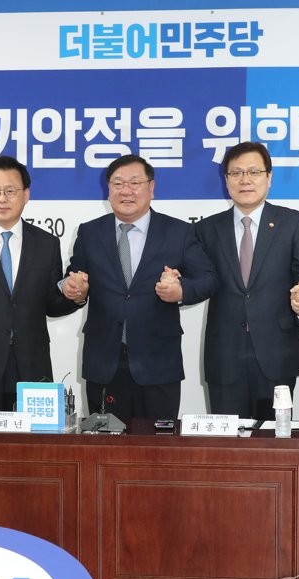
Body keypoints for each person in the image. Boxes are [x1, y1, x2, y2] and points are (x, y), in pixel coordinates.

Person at [62, 154, 217, 422]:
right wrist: (75, 290)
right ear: (108, 189)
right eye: (118, 183)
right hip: (104, 362)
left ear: (151, 188)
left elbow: (208, 279)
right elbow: (74, 278)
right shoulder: (89, 233)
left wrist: (180, 291)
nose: (126, 191)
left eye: (135, 183)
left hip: (158, 363)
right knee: (105, 443)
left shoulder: (178, 232)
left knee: (157, 443)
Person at [194, 142, 299, 420]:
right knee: (227, 440)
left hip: (278, 352)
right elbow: (197, 280)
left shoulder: (293, 223)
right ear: (226, 179)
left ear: (269, 177)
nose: (245, 180)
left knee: (275, 439)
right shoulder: (206, 229)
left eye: (254, 171)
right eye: (236, 173)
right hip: (225, 354)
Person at [0, 156, 83, 414]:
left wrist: (74, 296)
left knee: (32, 439)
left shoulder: (47, 243)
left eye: (10, 191)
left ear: (26, 195)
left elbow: (52, 304)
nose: (2, 199)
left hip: (32, 363)